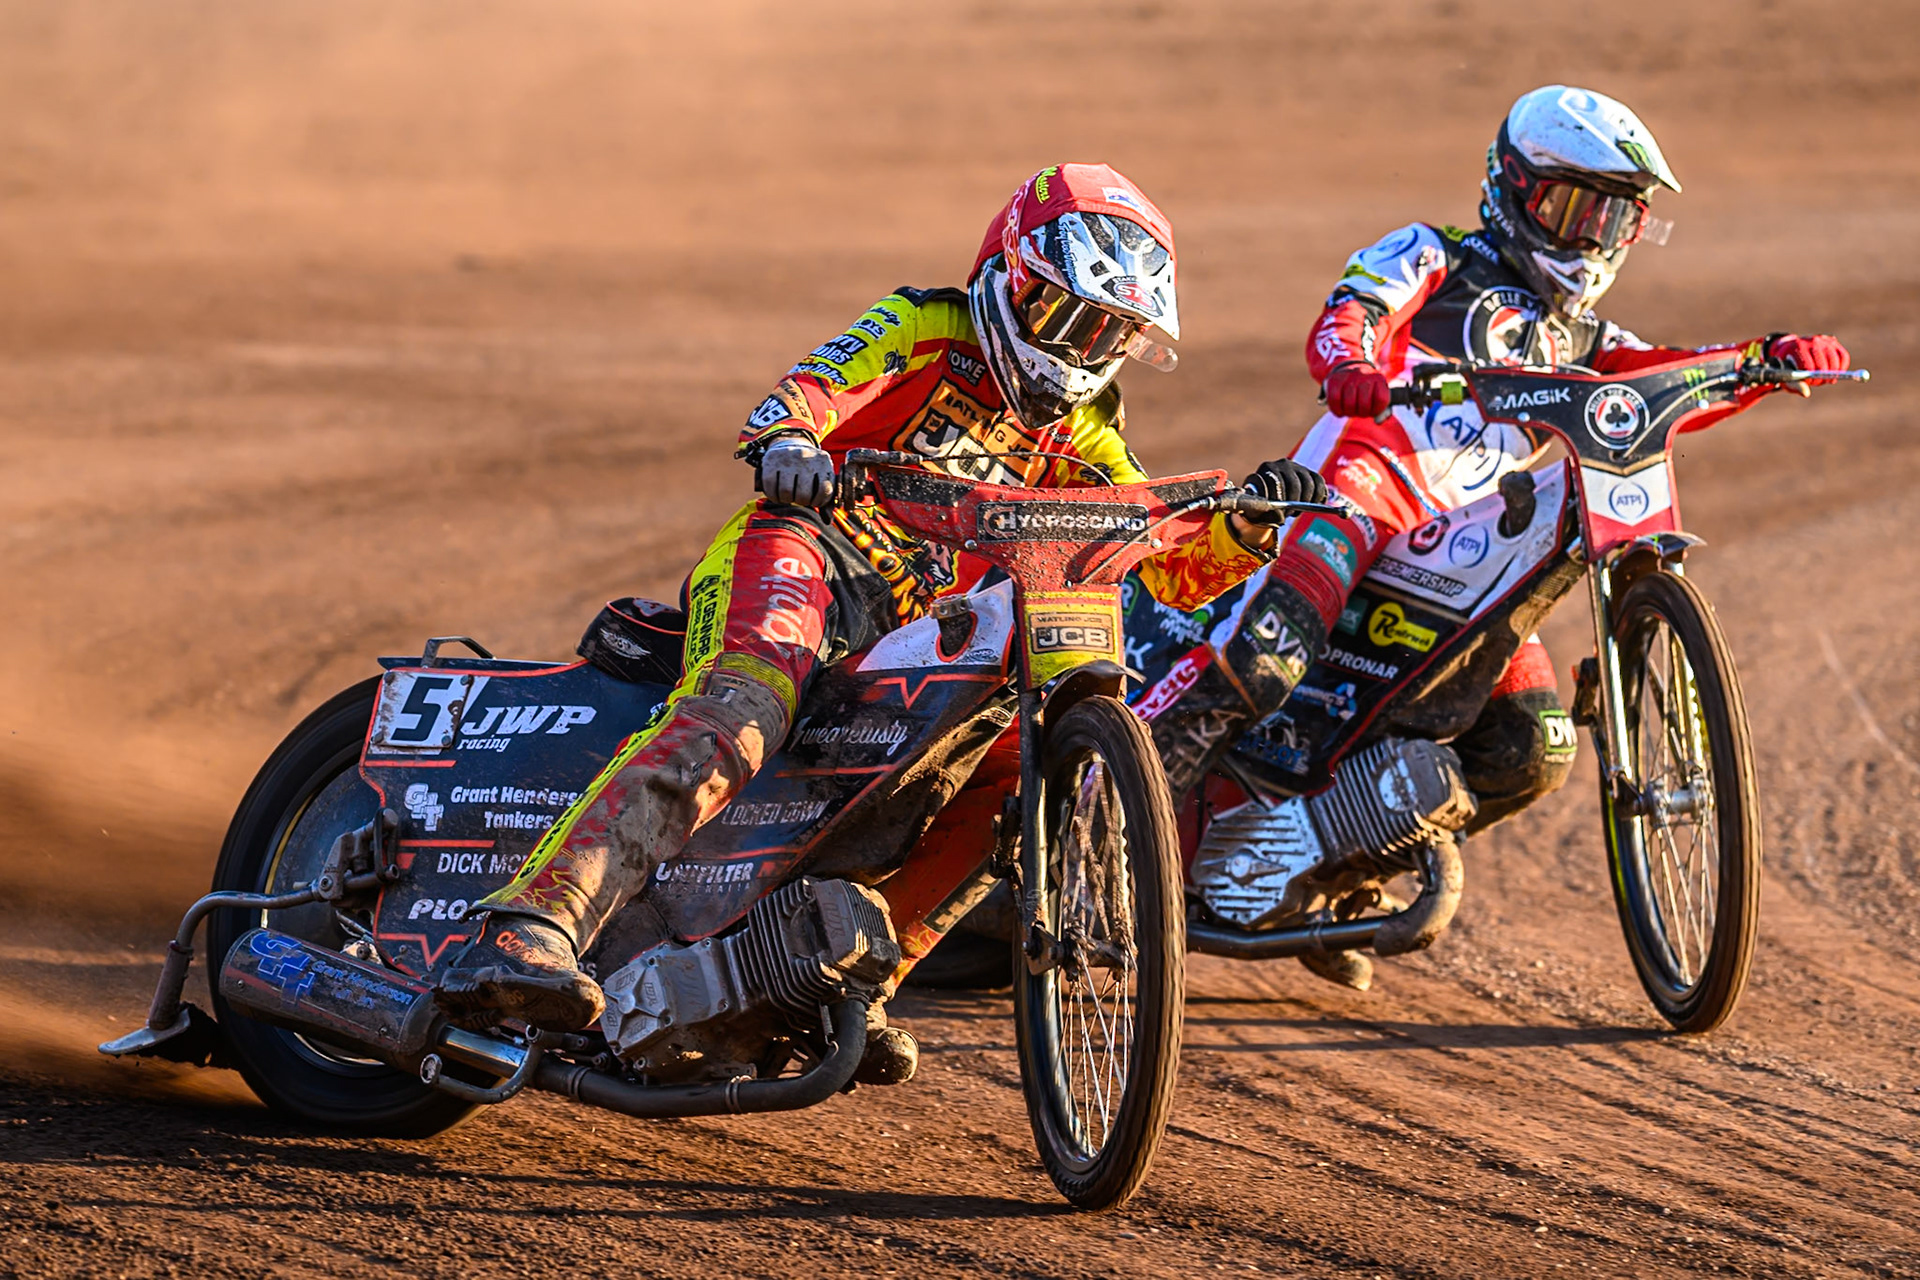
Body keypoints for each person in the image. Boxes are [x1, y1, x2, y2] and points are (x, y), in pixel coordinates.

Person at [434, 163, 1328, 1031]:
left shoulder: (1091, 427)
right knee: (741, 710)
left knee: (1011, 776)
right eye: (1065, 315)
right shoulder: (925, 324)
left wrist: (1242, 532)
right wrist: (790, 437)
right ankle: (531, 927)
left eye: (1107, 335)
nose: (1078, 351)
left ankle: (851, 985)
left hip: (911, 626)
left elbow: (1151, 562)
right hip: (807, 551)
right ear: (1009, 277)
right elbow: (811, 389)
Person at [1140, 85, 1850, 990]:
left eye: (1613, 219)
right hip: (1361, 489)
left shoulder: (1581, 335)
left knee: (1531, 746)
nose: (1589, 236)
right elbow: (1352, 309)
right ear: (1512, 189)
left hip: (1462, 546)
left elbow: (1656, 384)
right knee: (1269, 658)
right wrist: (1350, 365)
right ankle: (1102, 826)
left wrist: (1764, 361)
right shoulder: (1432, 255)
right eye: (1573, 208)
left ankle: (1327, 875)